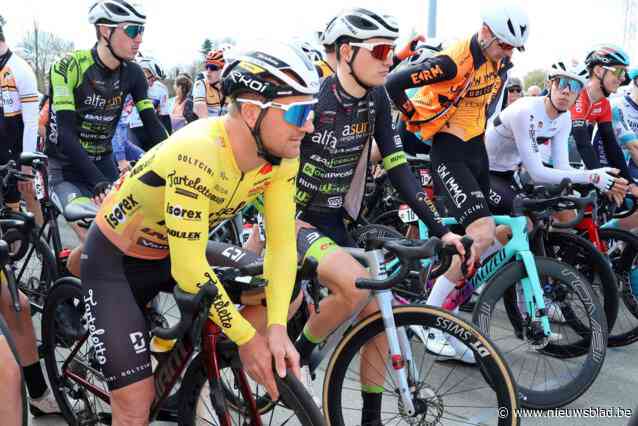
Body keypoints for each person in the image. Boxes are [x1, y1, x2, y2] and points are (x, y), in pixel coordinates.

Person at [81, 41, 319, 426]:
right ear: (252, 111)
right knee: (135, 406)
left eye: (313, 111)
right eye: (300, 112)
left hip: (173, 249)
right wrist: (246, 337)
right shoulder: (199, 151)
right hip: (116, 261)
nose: (309, 125)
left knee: (284, 287)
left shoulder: (280, 157)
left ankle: (199, 364)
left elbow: (281, 247)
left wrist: (275, 329)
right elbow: (191, 270)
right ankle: (143, 366)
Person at [289, 8, 467, 424]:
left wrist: (441, 230)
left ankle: (371, 417)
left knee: (376, 316)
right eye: (382, 49)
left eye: (392, 48)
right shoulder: (313, 99)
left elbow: (398, 166)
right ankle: (294, 366)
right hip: (293, 217)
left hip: (334, 220)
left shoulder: (377, 99)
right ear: (347, 52)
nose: (390, 59)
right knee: (351, 291)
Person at [386, 1, 529, 361]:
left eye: (513, 47)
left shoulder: (500, 62)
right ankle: (429, 321)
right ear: (485, 33)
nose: (508, 53)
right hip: (449, 152)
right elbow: (393, 83)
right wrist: (416, 117)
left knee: (514, 221)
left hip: (477, 151)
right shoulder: (452, 61)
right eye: (504, 44)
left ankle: (454, 284)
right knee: (479, 234)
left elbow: (486, 102)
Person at [486, 60, 622, 216]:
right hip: (483, 171)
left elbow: (561, 167)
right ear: (549, 85)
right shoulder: (525, 111)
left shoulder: (564, 118)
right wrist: (593, 177)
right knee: (524, 222)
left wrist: (600, 173)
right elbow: (536, 172)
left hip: (508, 173)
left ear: (579, 94)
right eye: (561, 82)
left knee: (564, 215)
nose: (566, 91)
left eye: (574, 87)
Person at [0, 22, 43, 224]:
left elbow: (31, 122)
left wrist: (26, 165)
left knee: (24, 196)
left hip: (15, 149)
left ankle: (43, 250)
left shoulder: (20, 69)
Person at [128, 56, 172, 149]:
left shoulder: (160, 89)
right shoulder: (128, 84)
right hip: (131, 128)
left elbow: (165, 116)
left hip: (150, 128)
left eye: (154, 79)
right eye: (150, 79)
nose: (152, 83)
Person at [193, 48, 226, 118]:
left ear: (223, 70)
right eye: (207, 67)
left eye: (213, 67)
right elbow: (200, 110)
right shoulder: (200, 84)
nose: (208, 71)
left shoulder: (229, 87)